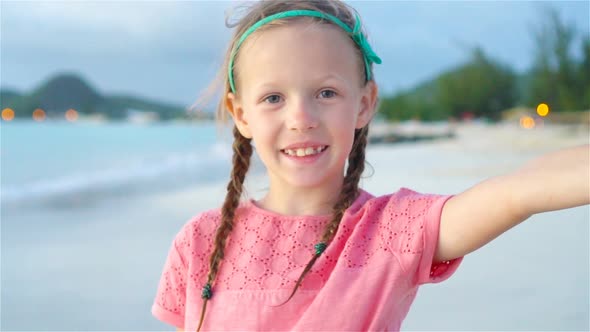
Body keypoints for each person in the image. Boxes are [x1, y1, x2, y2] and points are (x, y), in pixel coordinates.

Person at [151, 1, 589, 331]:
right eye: (273, 98)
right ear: (241, 113)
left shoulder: (389, 231)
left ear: (364, 104)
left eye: (326, 93)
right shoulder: (200, 242)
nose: (301, 118)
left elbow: (515, 193)